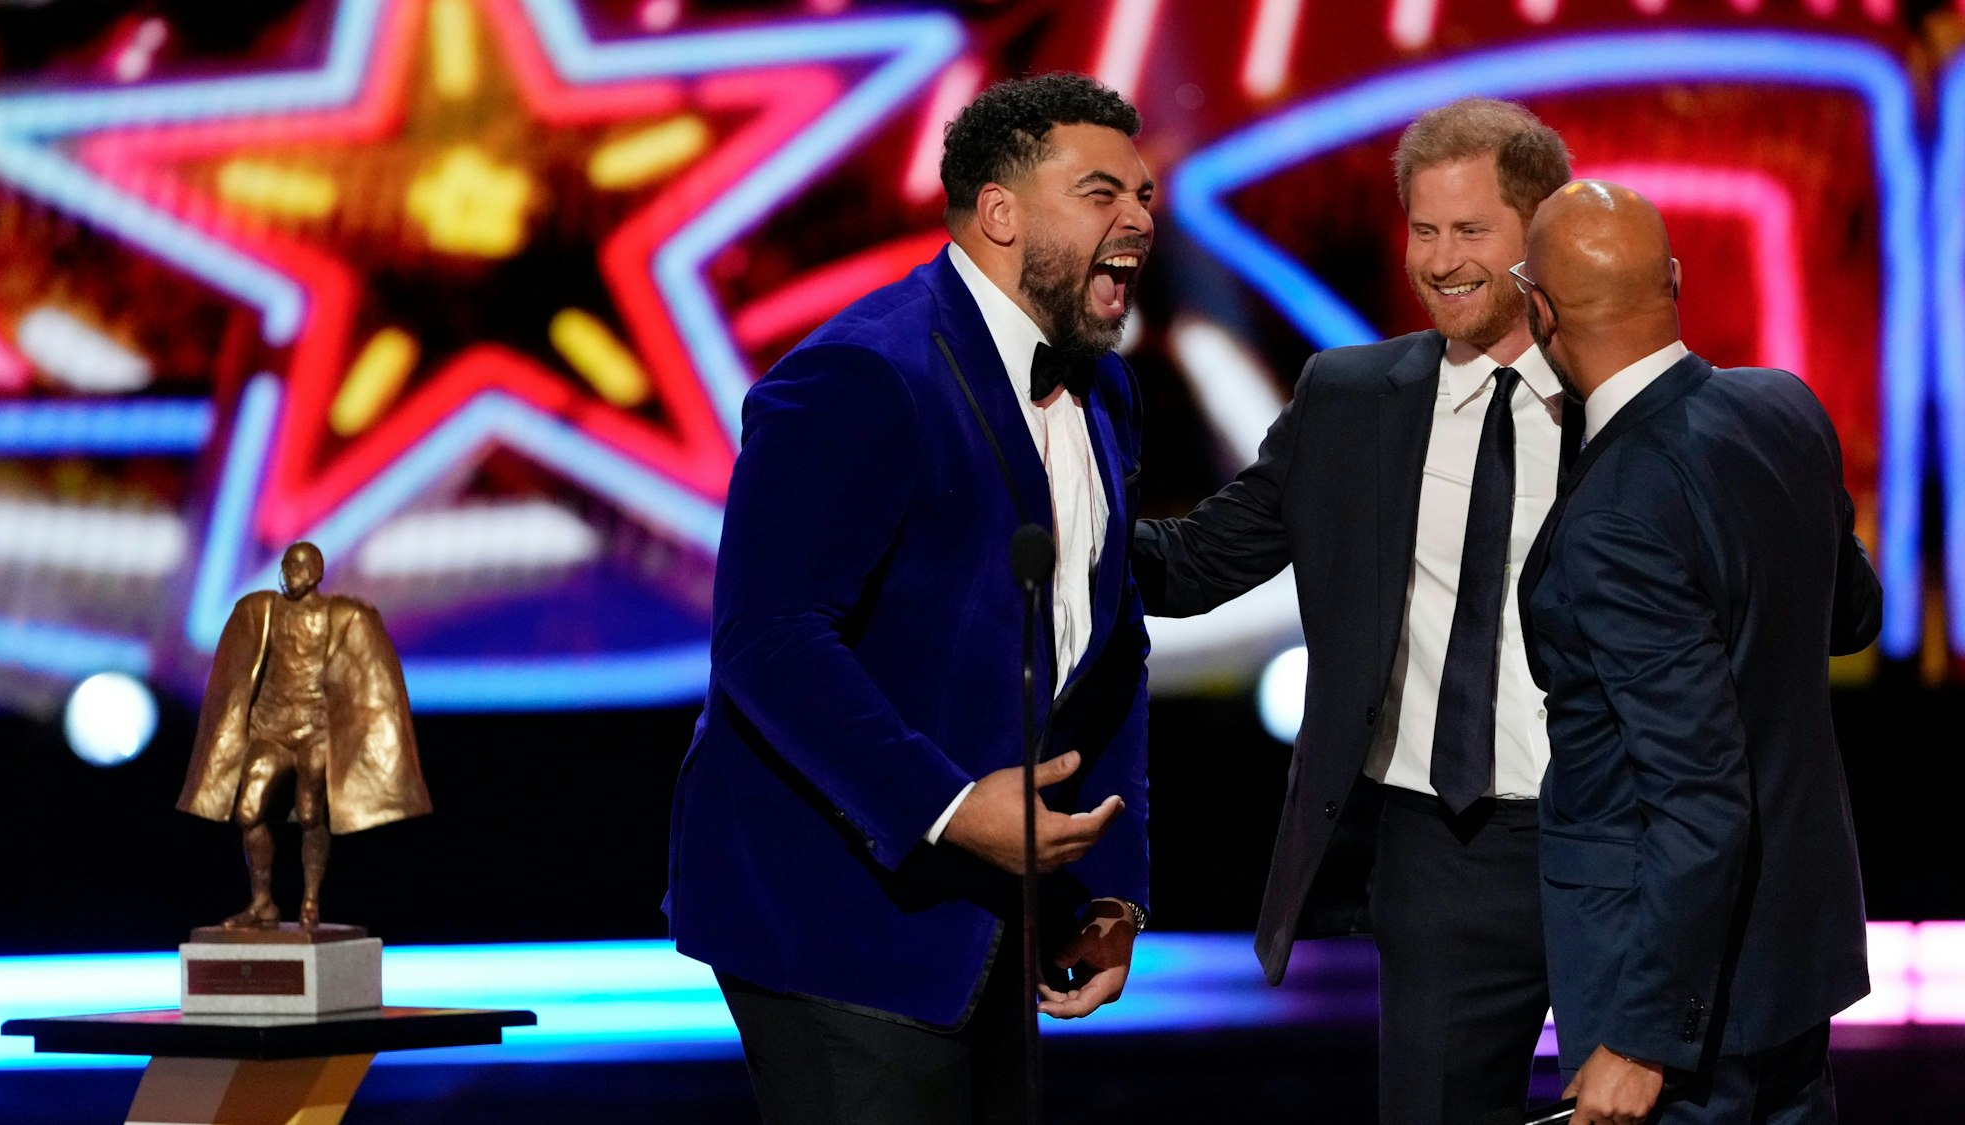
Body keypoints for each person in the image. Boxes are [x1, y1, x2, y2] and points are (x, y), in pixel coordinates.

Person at [666, 73, 1154, 1124]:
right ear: (999, 213)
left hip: (997, 918)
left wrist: (1106, 886)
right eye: (1101, 192)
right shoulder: (859, 375)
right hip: (835, 913)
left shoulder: (1104, 387)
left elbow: (1108, 641)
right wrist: (942, 805)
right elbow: (767, 638)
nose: (1138, 220)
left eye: (1145, 196)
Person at [1132, 97, 1572, 1123]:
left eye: (1470, 230)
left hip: (1611, 841)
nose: (1441, 259)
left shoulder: (1633, 402)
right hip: (1437, 851)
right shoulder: (1348, 399)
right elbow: (1195, 562)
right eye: (1423, 230)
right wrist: (1039, 508)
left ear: (1540, 230)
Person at [1515, 181, 1880, 1124]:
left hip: (1675, 1002)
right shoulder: (1783, 408)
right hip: (1791, 967)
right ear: (1671, 281)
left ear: (1540, 311)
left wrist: (1639, 1037)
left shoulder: (1616, 512)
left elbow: (1699, 791)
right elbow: (1853, 617)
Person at [177, 540, 429, 930]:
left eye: (297, 566)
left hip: (315, 732)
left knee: (312, 813)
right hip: (271, 729)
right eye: (286, 565)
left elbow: (365, 675)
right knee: (248, 812)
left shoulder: (339, 615)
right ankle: (262, 903)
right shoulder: (263, 610)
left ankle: (310, 900)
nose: (289, 573)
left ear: (314, 573)